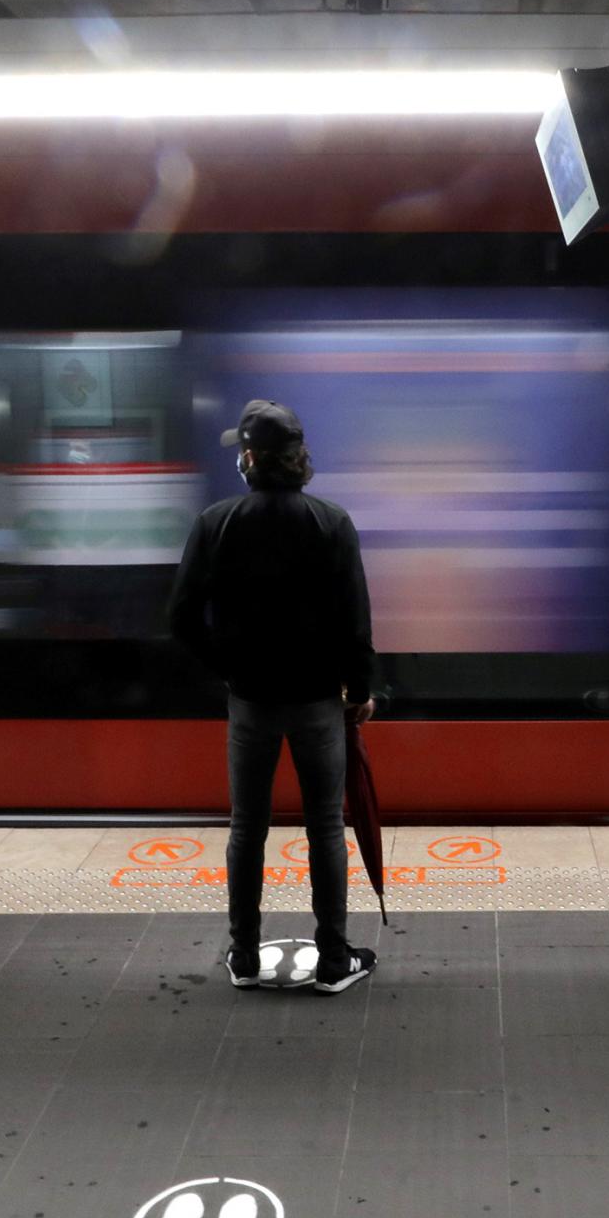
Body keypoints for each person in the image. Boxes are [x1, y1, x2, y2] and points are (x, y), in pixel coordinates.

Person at [168, 400, 379, 995]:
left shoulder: (216, 521)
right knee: (325, 828)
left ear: (250, 459)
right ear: (299, 459)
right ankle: (334, 960)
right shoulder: (331, 521)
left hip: (251, 702)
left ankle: (244, 957)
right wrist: (359, 690)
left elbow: (181, 617)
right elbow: (355, 622)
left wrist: (228, 669)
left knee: (247, 828)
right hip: (318, 702)